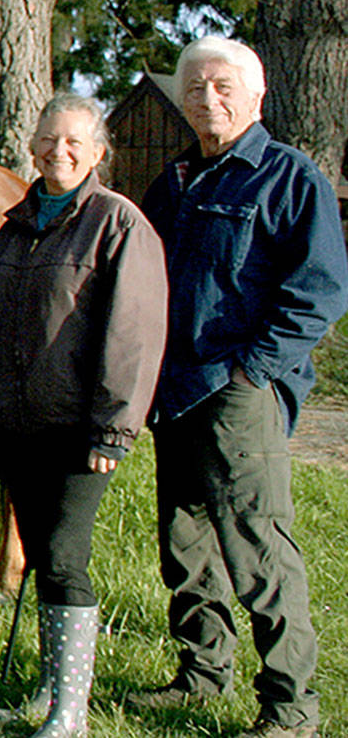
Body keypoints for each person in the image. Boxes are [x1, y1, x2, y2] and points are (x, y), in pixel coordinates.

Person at [131, 37, 348, 738]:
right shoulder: (174, 183)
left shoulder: (288, 178)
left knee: (257, 547)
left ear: (256, 96)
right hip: (176, 387)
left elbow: (320, 292)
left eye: (223, 87)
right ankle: (201, 674)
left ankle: (291, 707)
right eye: (194, 90)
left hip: (238, 389)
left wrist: (255, 370)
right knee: (184, 543)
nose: (207, 100)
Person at [0, 94, 167, 738]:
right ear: (31, 147)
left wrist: (113, 427)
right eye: (46, 140)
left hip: (80, 430)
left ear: (97, 152)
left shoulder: (118, 224)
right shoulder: (14, 226)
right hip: (19, 424)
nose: (56, 152)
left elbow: (133, 335)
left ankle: (72, 712)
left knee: (63, 556)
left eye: (72, 142)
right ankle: (48, 689)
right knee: (39, 554)